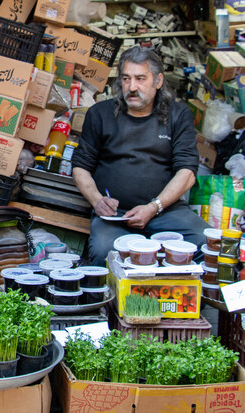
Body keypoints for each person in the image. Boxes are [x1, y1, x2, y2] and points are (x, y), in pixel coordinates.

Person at [72, 45, 210, 266]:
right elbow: (80, 166)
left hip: (165, 210)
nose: (132, 87)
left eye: (140, 78)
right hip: (114, 216)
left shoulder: (178, 114)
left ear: (158, 81)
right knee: (104, 253)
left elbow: (187, 172)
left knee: (207, 242)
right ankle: (115, 301)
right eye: (126, 79)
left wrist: (154, 207)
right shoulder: (100, 114)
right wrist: (98, 201)